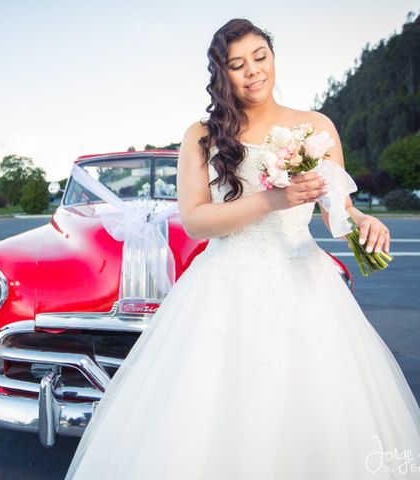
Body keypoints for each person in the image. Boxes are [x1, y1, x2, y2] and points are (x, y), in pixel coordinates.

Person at [64, 18, 420, 479]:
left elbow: (339, 208)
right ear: (222, 74)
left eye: (260, 57)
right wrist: (272, 199)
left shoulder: (315, 127)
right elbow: (195, 220)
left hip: (305, 283)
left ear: (273, 59)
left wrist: (361, 221)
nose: (253, 71)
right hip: (224, 285)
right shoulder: (202, 134)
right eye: (237, 64)